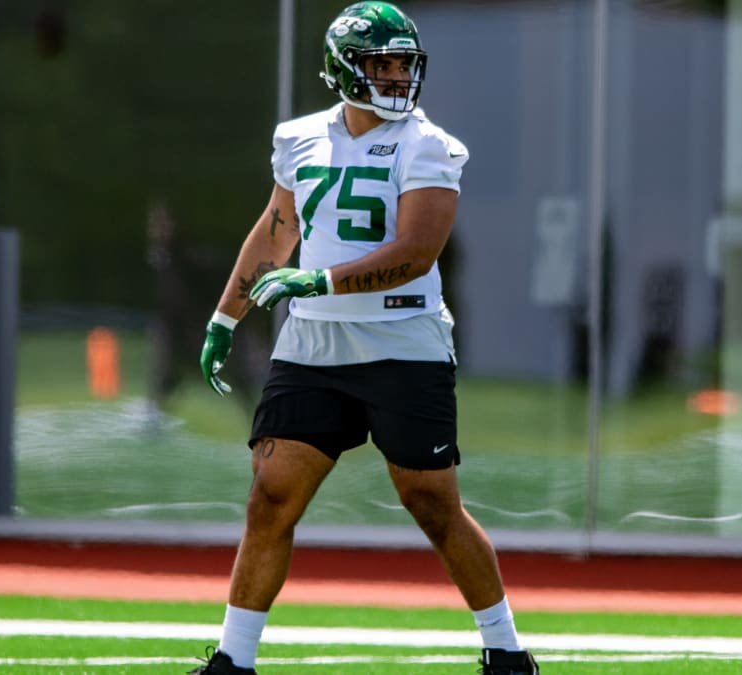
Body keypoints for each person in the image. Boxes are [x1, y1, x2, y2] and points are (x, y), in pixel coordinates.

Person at [191, 2, 539, 674]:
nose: (396, 76)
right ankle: (233, 660)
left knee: (432, 502)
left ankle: (505, 649)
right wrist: (223, 316)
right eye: (381, 63)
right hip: (315, 347)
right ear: (343, 68)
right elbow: (274, 231)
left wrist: (314, 282)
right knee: (270, 494)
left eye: (403, 63)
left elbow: (414, 252)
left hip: (402, 338)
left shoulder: (428, 145)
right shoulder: (299, 139)